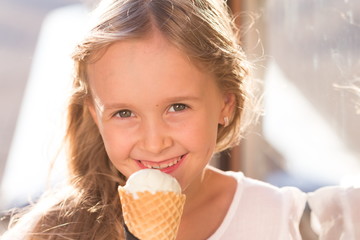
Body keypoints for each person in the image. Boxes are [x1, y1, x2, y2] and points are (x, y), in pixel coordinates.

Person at [2, 0, 306, 239]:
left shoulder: (284, 219)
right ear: (96, 117)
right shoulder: (52, 232)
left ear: (226, 104)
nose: (154, 142)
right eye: (124, 113)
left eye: (177, 107)